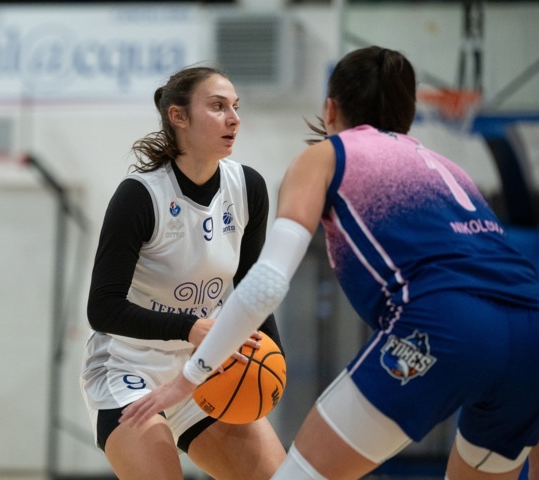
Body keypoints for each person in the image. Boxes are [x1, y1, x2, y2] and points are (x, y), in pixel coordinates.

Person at [120, 46, 539, 480]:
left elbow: (267, 283)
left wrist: (191, 375)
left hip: (444, 324)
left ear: (330, 108)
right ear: (409, 115)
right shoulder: (451, 170)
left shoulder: (328, 155)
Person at [79, 65, 287, 480]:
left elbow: (252, 287)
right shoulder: (140, 196)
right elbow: (102, 309)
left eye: (236, 107)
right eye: (218, 106)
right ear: (178, 116)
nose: (234, 118)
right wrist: (190, 327)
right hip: (129, 369)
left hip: (207, 367)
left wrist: (272, 357)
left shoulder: (248, 188)